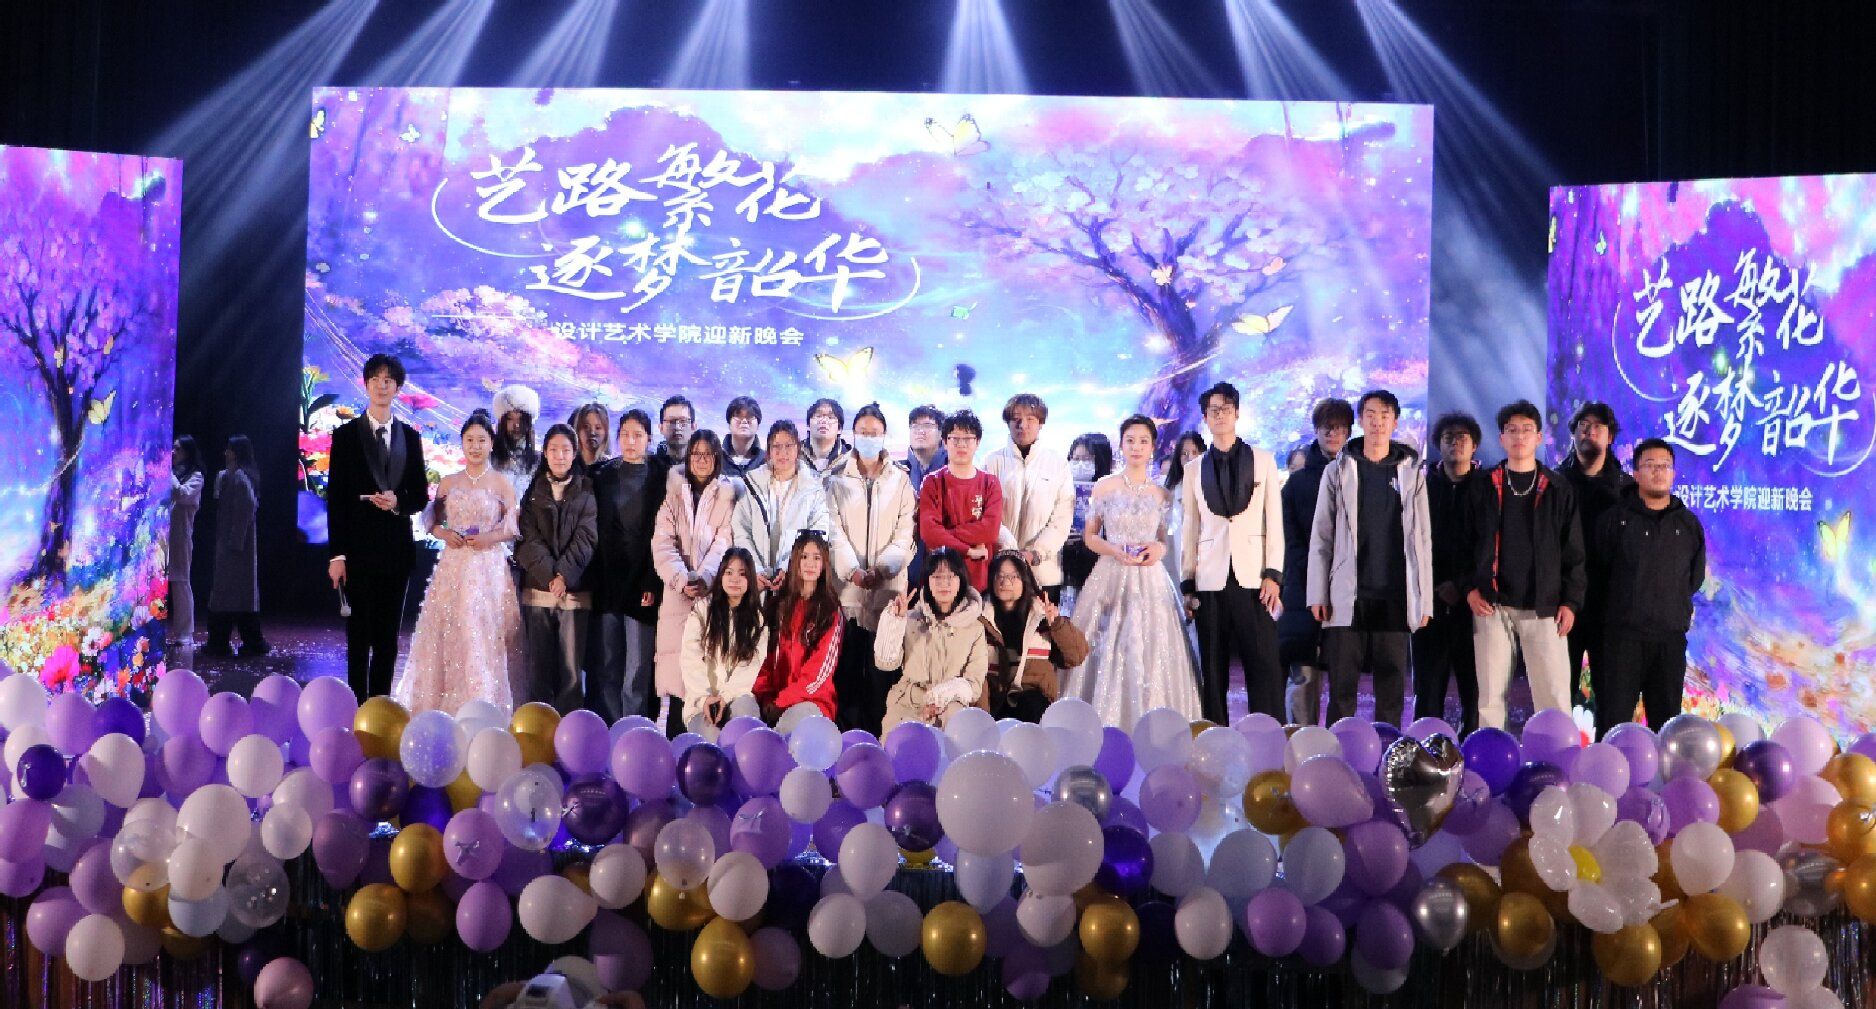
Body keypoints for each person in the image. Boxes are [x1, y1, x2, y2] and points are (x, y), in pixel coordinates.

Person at [1306, 391, 1433, 728]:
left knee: (1391, 692)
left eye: (1385, 414)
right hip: (1348, 594)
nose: (1378, 421)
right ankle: (1338, 752)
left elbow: (1423, 541)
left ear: (1395, 422)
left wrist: (1424, 601)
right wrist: (1318, 593)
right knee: (1341, 691)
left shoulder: (1411, 474)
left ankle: (1389, 752)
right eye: (1371, 414)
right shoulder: (1338, 470)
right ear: (1361, 420)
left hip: (1395, 595)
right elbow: (1321, 536)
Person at [1067, 416, 1204, 726]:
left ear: (1153, 447)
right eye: (1130, 440)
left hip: (1150, 578)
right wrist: (1114, 549)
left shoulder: (1162, 494)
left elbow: (1162, 541)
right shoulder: (1105, 486)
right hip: (1110, 573)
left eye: (1143, 441)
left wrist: (1158, 550)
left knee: (1151, 649)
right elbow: (1090, 537)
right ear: (1121, 445)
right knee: (1106, 645)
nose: (1136, 447)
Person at [1466, 400, 1587, 729]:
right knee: (1490, 699)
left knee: (1553, 698)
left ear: (1539, 437)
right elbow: (1463, 543)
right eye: (1512, 430)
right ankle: (1492, 759)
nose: (1519, 437)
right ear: (1501, 438)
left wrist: (1571, 602)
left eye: (1526, 430)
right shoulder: (1483, 485)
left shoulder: (1558, 488)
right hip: (1492, 606)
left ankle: (1557, 757)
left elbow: (1574, 552)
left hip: (1544, 607)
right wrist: (1469, 589)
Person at [393, 412, 523, 714]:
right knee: (449, 627)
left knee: (481, 631)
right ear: (462, 443)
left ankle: (481, 703)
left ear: (491, 443)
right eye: (469, 440)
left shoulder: (501, 484)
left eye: (481, 440)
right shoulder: (449, 482)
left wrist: (489, 538)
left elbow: (511, 528)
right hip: (453, 565)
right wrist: (445, 534)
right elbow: (431, 521)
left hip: (488, 568)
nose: (475, 446)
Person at [1181, 381, 1286, 724]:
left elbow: (1274, 522)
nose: (1220, 415)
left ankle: (1267, 733)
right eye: (1213, 410)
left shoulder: (1263, 460)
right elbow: (1190, 528)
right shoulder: (1194, 468)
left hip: (1254, 576)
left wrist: (1273, 574)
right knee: (1213, 669)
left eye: (1226, 409)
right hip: (1210, 578)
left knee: (1263, 665)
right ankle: (1214, 736)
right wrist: (1187, 582)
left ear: (1237, 413)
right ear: (1205, 417)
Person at [327, 353, 430, 699]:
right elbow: (337, 499)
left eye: (388, 381)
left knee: (387, 639)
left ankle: (381, 707)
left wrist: (398, 501)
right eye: (375, 380)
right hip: (357, 552)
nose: (382, 386)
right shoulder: (345, 436)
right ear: (366, 385)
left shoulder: (410, 437)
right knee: (358, 636)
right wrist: (337, 555)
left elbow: (420, 496)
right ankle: (357, 707)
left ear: (397, 388)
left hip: (396, 553)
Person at [1593, 440, 1705, 736]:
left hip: (1669, 641)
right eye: (1650, 465)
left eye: (1665, 466)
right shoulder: (1615, 521)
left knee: (1667, 728)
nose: (1658, 472)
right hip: (1623, 640)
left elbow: (1693, 578)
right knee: (1614, 725)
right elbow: (1599, 572)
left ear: (1673, 473)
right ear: (1636, 473)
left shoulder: (1688, 524)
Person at [825, 404, 917, 732]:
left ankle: (881, 741)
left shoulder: (901, 481)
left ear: (884, 436)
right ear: (853, 435)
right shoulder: (835, 478)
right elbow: (833, 531)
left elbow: (905, 535)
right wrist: (852, 571)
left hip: (887, 593)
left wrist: (881, 569)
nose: (868, 437)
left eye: (874, 433)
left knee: (882, 678)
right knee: (846, 676)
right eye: (862, 432)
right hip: (847, 593)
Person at [585, 409, 670, 724]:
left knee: (637, 667)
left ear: (649, 438)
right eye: (625, 435)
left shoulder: (662, 476)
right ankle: (609, 730)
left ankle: (634, 729)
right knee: (607, 664)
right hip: (608, 581)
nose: (630, 442)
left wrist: (652, 582)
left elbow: (663, 535)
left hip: (643, 581)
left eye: (637, 435)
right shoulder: (602, 475)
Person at [652, 431, 739, 734]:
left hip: (711, 595)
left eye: (708, 454)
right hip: (677, 595)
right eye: (696, 454)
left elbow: (724, 542)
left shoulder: (728, 497)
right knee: (676, 680)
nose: (701, 460)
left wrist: (705, 579)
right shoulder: (673, 494)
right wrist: (682, 579)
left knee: (707, 677)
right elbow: (662, 543)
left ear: (717, 458)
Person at [1557, 402, 1633, 717]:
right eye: (1583, 426)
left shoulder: (1627, 491)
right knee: (1559, 696)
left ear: (1610, 437)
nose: (1589, 432)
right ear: (1573, 434)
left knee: (1612, 701)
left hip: (1610, 610)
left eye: (1597, 427)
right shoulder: (1555, 485)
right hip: (1562, 606)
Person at [1278, 398, 1351, 725]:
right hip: (1303, 586)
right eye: (1326, 428)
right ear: (1316, 431)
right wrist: (1314, 571)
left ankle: (1341, 740)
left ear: (1348, 432)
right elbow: (1289, 537)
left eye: (1339, 428)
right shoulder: (1297, 483)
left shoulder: (1358, 475)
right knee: (1303, 672)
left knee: (1344, 673)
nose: (1332, 434)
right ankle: (1299, 737)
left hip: (1347, 587)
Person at [515, 424, 597, 712]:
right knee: (538, 669)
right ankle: (539, 728)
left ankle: (569, 729)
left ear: (574, 453)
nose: (559, 456)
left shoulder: (587, 490)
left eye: (565, 450)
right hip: (538, 591)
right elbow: (526, 538)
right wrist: (551, 576)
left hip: (574, 594)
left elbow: (587, 537)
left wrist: (564, 575)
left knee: (571, 673)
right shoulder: (533, 491)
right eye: (553, 449)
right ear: (545, 453)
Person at [1415, 412, 1484, 736]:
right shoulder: (1421, 488)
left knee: (1475, 694)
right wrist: (1435, 586)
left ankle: (1473, 754)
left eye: (1462, 437)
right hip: (1430, 606)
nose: (1455, 443)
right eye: (1448, 437)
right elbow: (1413, 543)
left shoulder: (1486, 488)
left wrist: (1462, 584)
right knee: (1428, 692)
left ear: (1474, 446)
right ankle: (1424, 754)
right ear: (1438, 445)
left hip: (1474, 605)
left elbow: (1488, 544)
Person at [877, 548, 989, 731]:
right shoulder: (910, 619)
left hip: (951, 706)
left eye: (950, 576)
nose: (944, 583)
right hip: (909, 703)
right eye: (937, 577)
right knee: (898, 740)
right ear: (927, 581)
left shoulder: (975, 628)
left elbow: (973, 684)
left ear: (961, 580)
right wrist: (894, 622)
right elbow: (886, 664)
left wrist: (938, 699)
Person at [982, 394, 1076, 603]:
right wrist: (1010, 553)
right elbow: (986, 513)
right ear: (1007, 422)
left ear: (1041, 423)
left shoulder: (1057, 463)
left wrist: (1036, 553)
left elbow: (1062, 518)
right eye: (1016, 418)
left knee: (1042, 623)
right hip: (1000, 570)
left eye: (1030, 419)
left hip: (1044, 572)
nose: (1022, 425)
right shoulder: (991, 461)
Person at [982, 551, 1090, 722]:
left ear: (1025, 580)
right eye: (999, 576)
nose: (1005, 582)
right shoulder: (981, 618)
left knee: (1032, 705)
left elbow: (1076, 656)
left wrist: (1056, 623)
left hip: (1032, 699)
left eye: (1013, 577)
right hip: (994, 699)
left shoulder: (1041, 616)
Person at [753, 531, 844, 722]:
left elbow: (817, 674)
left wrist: (782, 703)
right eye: (804, 557)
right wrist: (766, 696)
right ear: (795, 561)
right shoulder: (777, 605)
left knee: (789, 728)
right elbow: (763, 657)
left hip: (812, 701)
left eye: (817, 558)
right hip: (772, 699)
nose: (810, 564)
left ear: (824, 565)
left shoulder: (830, 611)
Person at [733, 420, 831, 592]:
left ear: (798, 449)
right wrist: (754, 568)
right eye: (776, 446)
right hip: (757, 579)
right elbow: (741, 529)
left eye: (788, 446)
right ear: (768, 451)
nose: (782, 452)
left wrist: (789, 568)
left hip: (796, 579)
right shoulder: (752, 482)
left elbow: (818, 532)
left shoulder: (813, 487)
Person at [679, 547, 770, 733]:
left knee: (745, 722)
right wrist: (705, 698)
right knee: (712, 739)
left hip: (736, 698)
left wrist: (725, 697)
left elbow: (751, 668)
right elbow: (690, 659)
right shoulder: (702, 610)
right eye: (729, 572)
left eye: (742, 574)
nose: (735, 579)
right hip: (701, 702)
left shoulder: (758, 619)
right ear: (721, 575)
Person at [917, 411, 1004, 593]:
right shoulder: (932, 482)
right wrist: (968, 550)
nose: (961, 445)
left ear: (977, 442)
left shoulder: (990, 483)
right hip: (939, 580)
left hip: (979, 581)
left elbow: (990, 530)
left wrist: (945, 533)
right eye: (955, 439)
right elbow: (928, 532)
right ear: (944, 442)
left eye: (968, 439)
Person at [206, 435, 269, 657]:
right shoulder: (231, 476)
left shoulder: (240, 478)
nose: (226, 453)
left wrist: (235, 541)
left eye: (230, 450)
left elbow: (246, 509)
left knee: (230, 594)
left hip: (235, 547)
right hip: (231, 545)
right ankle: (228, 641)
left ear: (237, 453)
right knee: (234, 594)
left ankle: (226, 642)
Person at [1061, 432, 1114, 594]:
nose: (1080, 464)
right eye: (1075, 458)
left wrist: (1091, 537)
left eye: (1087, 459)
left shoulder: (1113, 492)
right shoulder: (1061, 488)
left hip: (1100, 566)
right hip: (1066, 564)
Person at [901, 404, 948, 586]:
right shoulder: (897, 471)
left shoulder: (956, 470)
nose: (920, 431)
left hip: (946, 569)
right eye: (915, 426)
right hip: (903, 571)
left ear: (941, 433)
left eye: (927, 425)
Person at [168, 435, 204, 665]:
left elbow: (181, 494)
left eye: (178, 449)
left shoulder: (196, 476)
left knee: (180, 581)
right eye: (173, 448)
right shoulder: (172, 474)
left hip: (180, 535)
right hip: (163, 536)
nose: (173, 452)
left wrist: (167, 472)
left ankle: (184, 633)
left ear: (188, 453)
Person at [1161, 430, 1206, 585]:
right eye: (1184, 454)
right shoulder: (1171, 489)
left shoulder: (1213, 486)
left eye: (1195, 452)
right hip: (1178, 552)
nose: (1190, 458)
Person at [491, 385, 542, 502]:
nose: (516, 425)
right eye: (510, 419)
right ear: (502, 422)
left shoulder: (539, 461)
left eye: (521, 419)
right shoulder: (489, 458)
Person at [803, 397, 852, 477]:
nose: (824, 421)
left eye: (830, 417)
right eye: (818, 416)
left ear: (839, 429)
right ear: (808, 425)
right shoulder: (794, 456)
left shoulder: (851, 461)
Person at [722, 396, 767, 477]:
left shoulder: (767, 460)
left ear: (758, 425)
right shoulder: (715, 458)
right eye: (738, 416)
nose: (744, 421)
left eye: (750, 416)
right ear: (729, 424)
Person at [568, 403, 611, 478]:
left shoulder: (611, 468)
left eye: (598, 427)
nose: (592, 432)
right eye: (586, 427)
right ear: (577, 431)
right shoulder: (568, 466)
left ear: (606, 432)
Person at [655, 395, 695, 471]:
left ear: (693, 427)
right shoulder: (649, 468)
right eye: (671, 421)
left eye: (683, 421)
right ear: (661, 428)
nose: (677, 427)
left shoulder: (707, 465)